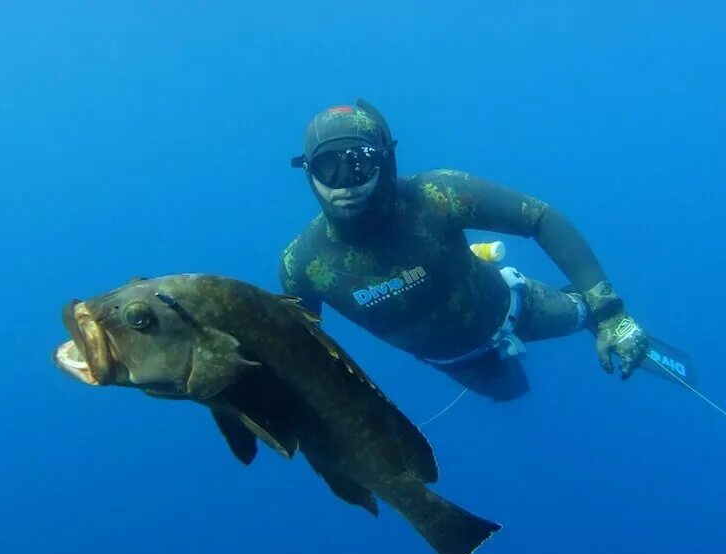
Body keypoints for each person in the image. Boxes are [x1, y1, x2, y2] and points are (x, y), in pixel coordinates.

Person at [278, 98, 649, 402]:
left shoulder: (438, 196)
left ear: (385, 160)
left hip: (518, 309)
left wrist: (611, 313)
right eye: (329, 167)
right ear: (308, 171)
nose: (346, 184)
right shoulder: (302, 266)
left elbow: (538, 218)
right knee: (511, 394)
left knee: (581, 315)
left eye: (359, 163)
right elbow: (306, 352)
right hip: (458, 362)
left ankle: (588, 310)